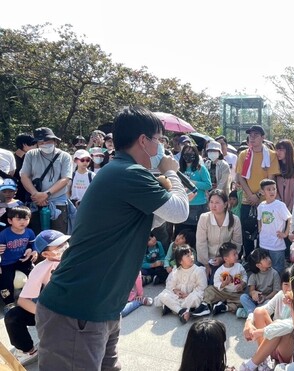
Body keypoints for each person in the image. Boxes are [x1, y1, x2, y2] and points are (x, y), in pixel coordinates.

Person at [35, 106, 189, 370]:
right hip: (78, 312)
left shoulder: (120, 172)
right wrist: (171, 172)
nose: (161, 148)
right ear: (143, 140)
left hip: (99, 309)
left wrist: (165, 185)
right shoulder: (128, 173)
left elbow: (155, 219)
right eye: (159, 140)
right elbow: (179, 211)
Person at [4, 229, 70, 366]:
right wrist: (47, 314)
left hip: (79, 308)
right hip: (52, 309)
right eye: (59, 246)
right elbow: (23, 300)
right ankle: (27, 350)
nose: (65, 246)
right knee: (13, 316)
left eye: (65, 242)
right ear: (46, 254)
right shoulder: (40, 269)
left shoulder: (78, 258)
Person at [236, 125, 280, 259]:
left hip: (265, 201)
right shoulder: (244, 154)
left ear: (263, 137)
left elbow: (270, 179)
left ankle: (264, 262)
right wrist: (250, 195)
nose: (252, 138)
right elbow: (240, 177)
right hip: (247, 200)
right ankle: (250, 262)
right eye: (250, 135)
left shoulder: (271, 155)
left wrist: (258, 195)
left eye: (256, 135)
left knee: (265, 233)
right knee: (247, 233)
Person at [20, 127, 73, 235]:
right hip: (36, 201)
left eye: (48, 141)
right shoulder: (31, 155)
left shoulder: (64, 156)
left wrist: (46, 194)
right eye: (41, 142)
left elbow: (65, 178)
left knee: (58, 237)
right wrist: (36, 194)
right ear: (37, 143)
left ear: (55, 141)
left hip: (57, 202)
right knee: (36, 235)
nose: (45, 144)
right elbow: (24, 176)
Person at [196, 189, 242, 282]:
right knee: (201, 281)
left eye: (217, 202)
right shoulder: (204, 218)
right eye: (211, 202)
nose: (213, 205)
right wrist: (206, 264)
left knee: (224, 282)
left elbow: (236, 243)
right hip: (206, 259)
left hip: (226, 260)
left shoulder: (235, 220)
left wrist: (223, 258)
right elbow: (201, 242)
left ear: (225, 204)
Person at [155, 245, 207, 323]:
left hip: (190, 296)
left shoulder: (198, 271)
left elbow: (202, 287)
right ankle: (181, 311)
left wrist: (188, 295)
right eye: (187, 256)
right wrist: (175, 290)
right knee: (163, 295)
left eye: (191, 254)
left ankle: (172, 307)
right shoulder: (176, 270)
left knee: (195, 298)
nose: (191, 257)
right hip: (177, 296)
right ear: (180, 261)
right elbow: (170, 284)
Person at [0, 206, 37, 313]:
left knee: (35, 275)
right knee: (6, 282)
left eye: (25, 218)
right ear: (10, 221)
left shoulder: (29, 232)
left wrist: (34, 250)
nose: (22, 222)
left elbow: (33, 243)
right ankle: (9, 303)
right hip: (7, 263)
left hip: (22, 260)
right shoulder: (3, 234)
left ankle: (34, 297)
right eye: (18, 219)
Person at [199, 242, 247, 316]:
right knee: (209, 290)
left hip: (235, 293)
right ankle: (205, 305)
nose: (237, 256)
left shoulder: (239, 267)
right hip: (222, 292)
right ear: (226, 259)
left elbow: (244, 276)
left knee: (244, 299)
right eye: (234, 255)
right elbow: (216, 283)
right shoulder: (220, 270)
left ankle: (224, 307)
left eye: (236, 254)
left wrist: (242, 284)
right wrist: (223, 284)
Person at [257, 179, 291, 274]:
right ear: (262, 192)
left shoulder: (280, 205)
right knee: (265, 268)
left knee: (278, 269)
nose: (272, 191)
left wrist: (286, 233)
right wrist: (260, 230)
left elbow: (289, 219)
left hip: (276, 244)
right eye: (269, 189)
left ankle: (278, 288)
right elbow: (259, 219)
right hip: (264, 243)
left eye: (274, 189)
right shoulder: (261, 206)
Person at [176, 144, 212, 236]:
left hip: (198, 205)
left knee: (197, 233)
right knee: (181, 233)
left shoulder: (201, 168)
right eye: (186, 152)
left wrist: (193, 182)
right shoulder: (179, 169)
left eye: (191, 152)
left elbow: (208, 185)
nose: (189, 155)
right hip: (183, 204)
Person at [239, 249, 281, 319]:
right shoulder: (254, 276)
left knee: (269, 302)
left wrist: (265, 298)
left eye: (268, 257)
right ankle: (256, 315)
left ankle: (250, 314)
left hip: (268, 299)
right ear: (258, 265)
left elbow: (276, 291)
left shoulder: (274, 273)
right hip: (257, 300)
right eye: (265, 258)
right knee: (243, 297)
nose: (269, 259)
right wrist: (254, 294)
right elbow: (251, 291)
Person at [13, 133, 37, 203]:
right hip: (14, 193)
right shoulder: (11, 158)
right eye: (33, 145)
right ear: (25, 145)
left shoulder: (31, 159)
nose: (36, 148)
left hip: (28, 193)